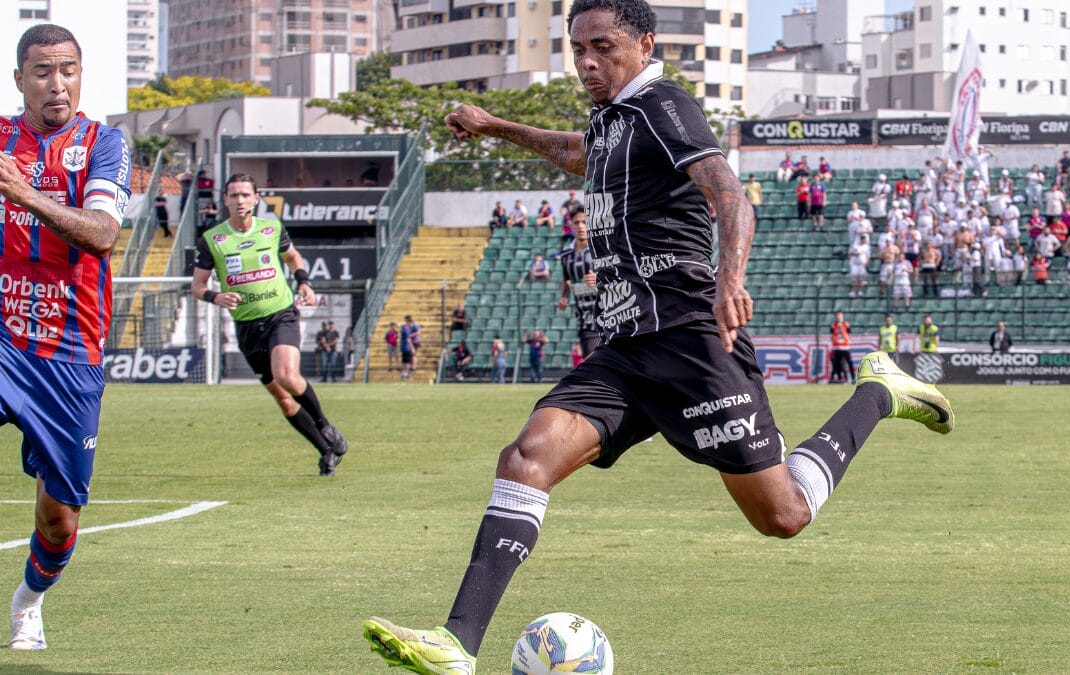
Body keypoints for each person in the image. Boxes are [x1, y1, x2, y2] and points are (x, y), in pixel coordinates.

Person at [363, 3, 956, 672]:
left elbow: (729, 192)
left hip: (689, 339)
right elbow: (579, 154)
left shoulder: (662, 103)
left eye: (604, 47)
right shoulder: (612, 117)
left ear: (644, 43)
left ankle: (877, 390)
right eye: (578, 47)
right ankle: (457, 642)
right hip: (625, 348)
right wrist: (496, 125)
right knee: (526, 458)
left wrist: (730, 276)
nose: (588, 61)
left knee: (782, 514)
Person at [1, 24, 132, 651]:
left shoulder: (105, 145)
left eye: (69, 69)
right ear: (19, 78)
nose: (58, 83)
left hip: (69, 353)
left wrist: (24, 194)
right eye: (44, 71)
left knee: (58, 521)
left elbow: (102, 234)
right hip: (2, 336)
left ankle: (28, 601)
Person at [192, 173, 348, 477]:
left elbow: (293, 258)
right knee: (285, 400)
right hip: (247, 327)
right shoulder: (213, 239)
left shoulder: (272, 229)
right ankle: (326, 451)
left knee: (287, 375)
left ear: (256, 198)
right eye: (234, 195)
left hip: (281, 313)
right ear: (225, 199)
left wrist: (304, 282)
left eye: (245, 195)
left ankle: (325, 425)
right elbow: (197, 285)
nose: (240, 200)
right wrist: (215, 296)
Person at [557, 207, 601, 357]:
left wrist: (599, 280)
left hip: (611, 318)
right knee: (594, 366)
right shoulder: (566, 257)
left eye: (584, 222)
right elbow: (566, 281)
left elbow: (619, 276)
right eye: (577, 222)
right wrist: (564, 297)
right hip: (586, 323)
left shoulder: (601, 251)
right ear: (571, 226)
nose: (581, 226)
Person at [829, 311, 853, 384]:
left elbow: (849, 334)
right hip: (836, 347)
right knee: (837, 364)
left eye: (840, 315)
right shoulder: (833, 325)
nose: (839, 316)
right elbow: (831, 335)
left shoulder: (846, 324)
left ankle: (853, 378)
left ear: (842, 316)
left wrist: (848, 340)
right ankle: (840, 379)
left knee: (849, 362)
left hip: (845, 347)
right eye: (837, 315)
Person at [399, 315, 420, 379]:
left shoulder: (404, 328)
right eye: (411, 324)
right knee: (407, 362)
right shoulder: (406, 329)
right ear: (408, 323)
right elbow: (408, 340)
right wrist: (412, 348)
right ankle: (406, 374)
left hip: (403, 347)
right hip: (406, 347)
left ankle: (404, 374)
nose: (411, 326)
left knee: (404, 362)